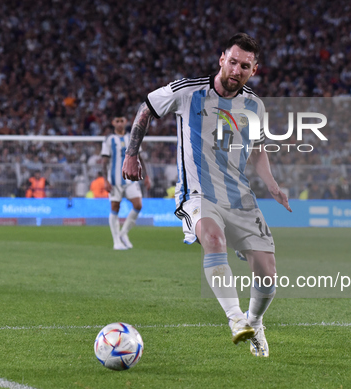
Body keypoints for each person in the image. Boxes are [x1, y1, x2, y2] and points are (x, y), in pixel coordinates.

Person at [122, 33, 291, 357]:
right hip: (196, 193)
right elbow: (147, 108)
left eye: (245, 65)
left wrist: (272, 185)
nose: (237, 69)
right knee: (213, 239)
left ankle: (254, 322)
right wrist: (132, 152)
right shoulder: (188, 91)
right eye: (233, 62)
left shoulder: (254, 105)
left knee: (268, 272)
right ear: (221, 60)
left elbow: (256, 150)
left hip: (239, 195)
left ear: (253, 70)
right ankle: (235, 320)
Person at [101, 114, 151, 250]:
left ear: (126, 122)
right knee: (115, 208)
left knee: (138, 205)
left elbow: (140, 157)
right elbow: (104, 162)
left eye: (121, 120)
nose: (119, 123)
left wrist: (146, 176)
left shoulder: (133, 137)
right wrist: (105, 180)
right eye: (117, 120)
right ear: (113, 122)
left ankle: (123, 233)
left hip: (130, 179)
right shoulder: (109, 139)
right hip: (114, 180)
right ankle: (116, 241)